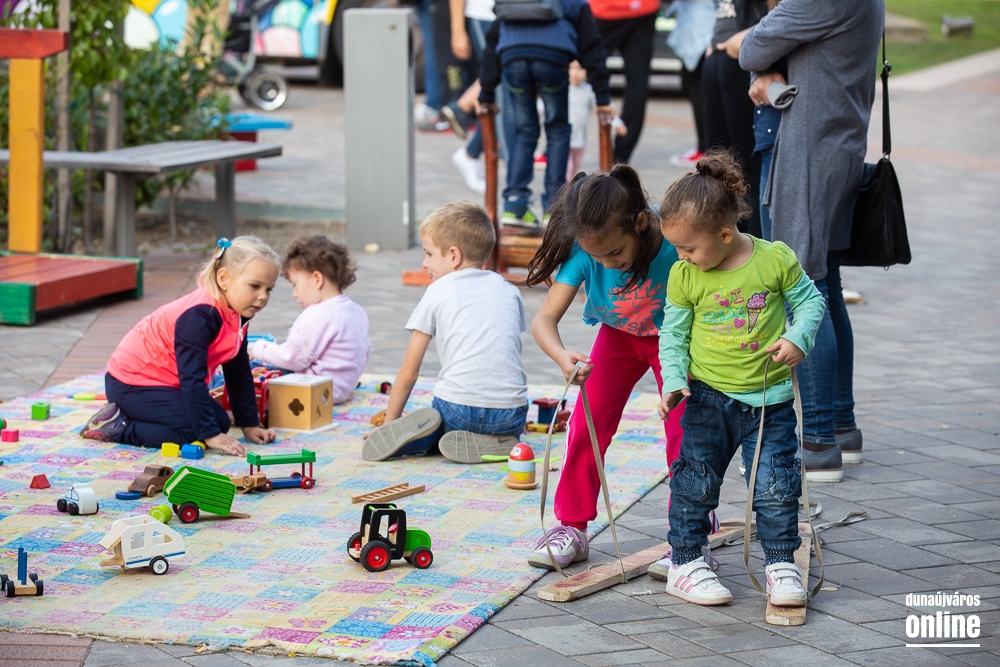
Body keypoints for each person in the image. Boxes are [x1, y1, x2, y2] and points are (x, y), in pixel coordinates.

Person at [654, 151, 825, 605]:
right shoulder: (684, 275)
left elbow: (811, 302)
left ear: (725, 235)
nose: (681, 256)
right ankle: (686, 562)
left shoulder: (773, 259)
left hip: (770, 400)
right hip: (708, 398)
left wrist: (798, 338)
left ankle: (781, 564)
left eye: (689, 247)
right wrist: (673, 379)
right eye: (677, 248)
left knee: (775, 484)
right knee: (695, 483)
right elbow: (673, 333)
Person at [739, 0, 883, 478]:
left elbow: (753, 47)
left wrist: (766, 75)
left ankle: (818, 442)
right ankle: (840, 427)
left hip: (810, 154)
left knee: (804, 289)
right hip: (835, 147)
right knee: (826, 288)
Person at [524, 165, 684, 570]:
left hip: (675, 342)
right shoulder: (587, 251)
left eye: (615, 253)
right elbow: (543, 320)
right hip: (617, 338)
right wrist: (561, 356)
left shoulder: (674, 236)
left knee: (684, 429)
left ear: (641, 223)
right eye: (597, 256)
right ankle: (571, 526)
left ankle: (691, 529)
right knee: (586, 425)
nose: (607, 264)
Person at [81, 236, 280, 456]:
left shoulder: (236, 314)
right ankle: (119, 427)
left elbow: (238, 371)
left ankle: (143, 417)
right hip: (131, 384)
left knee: (219, 423)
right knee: (199, 431)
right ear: (224, 278)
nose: (262, 297)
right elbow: (192, 377)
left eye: (269, 289)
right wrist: (209, 433)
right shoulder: (199, 316)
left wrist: (249, 424)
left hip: (166, 383)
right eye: (255, 286)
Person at [363, 201, 529, 464]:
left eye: (429, 254)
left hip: (457, 411)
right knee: (493, 419)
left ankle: (429, 437)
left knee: (436, 419)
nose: (424, 263)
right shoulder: (509, 290)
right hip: (511, 414)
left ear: (453, 256)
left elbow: (409, 372)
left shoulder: (437, 291)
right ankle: (500, 441)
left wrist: (389, 423)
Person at [479, 0, 612, 227]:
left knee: (524, 130)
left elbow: (492, 42)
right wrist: (602, 97)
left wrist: (486, 93)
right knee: (558, 129)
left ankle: (514, 205)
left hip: (513, 59)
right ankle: (554, 209)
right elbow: (591, 45)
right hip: (552, 59)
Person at [250, 236, 371, 405]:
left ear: (317, 279)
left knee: (253, 369)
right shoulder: (356, 310)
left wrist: (257, 348)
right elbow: (364, 353)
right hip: (340, 390)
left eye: (295, 284)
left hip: (315, 391)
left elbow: (292, 357)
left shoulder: (320, 313)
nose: (294, 294)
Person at [701, 0, 769, 238]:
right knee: (716, 169)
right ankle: (723, 244)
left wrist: (741, 39)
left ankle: (754, 248)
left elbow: (784, 14)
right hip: (718, 59)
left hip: (742, 59)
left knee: (750, 170)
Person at [589, 0, 659, 164]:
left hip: (605, 9)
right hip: (643, 9)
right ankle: (620, 159)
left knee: (576, 70)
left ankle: (558, 149)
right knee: (638, 83)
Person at [665, 0, 716, 166]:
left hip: (703, 31)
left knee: (700, 94)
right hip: (700, 28)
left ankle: (706, 149)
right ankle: (705, 147)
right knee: (693, 89)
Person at [565, 60, 627, 180]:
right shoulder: (562, 89)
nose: (575, 73)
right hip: (564, 140)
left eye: (580, 68)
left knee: (573, 171)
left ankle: (569, 188)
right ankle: (565, 190)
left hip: (580, 141)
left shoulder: (588, 90)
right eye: (571, 68)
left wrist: (617, 123)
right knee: (566, 172)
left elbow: (603, 109)